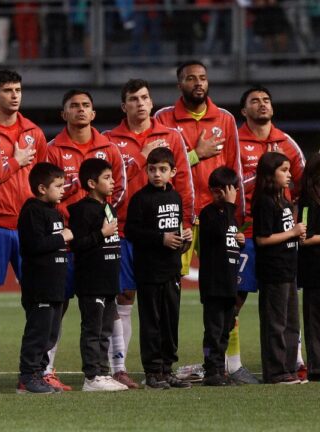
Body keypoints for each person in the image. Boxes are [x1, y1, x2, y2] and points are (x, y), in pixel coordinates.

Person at [155, 61, 249, 382]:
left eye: (203, 78)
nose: (198, 83)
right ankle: (164, 365)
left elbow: (234, 168)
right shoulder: (163, 119)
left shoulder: (225, 119)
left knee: (225, 291)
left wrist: (238, 221)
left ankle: (229, 365)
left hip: (219, 217)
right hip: (178, 215)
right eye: (191, 78)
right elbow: (161, 167)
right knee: (170, 291)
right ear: (179, 83)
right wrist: (196, 153)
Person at [103, 78, 194, 390]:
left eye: (144, 97)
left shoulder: (171, 136)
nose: (140, 103)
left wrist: (187, 224)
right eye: (133, 98)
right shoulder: (110, 140)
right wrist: (141, 156)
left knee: (167, 304)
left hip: (167, 236)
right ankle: (121, 367)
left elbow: (183, 182)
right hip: (124, 231)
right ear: (123, 105)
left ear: (152, 102)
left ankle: (163, 368)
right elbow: (109, 186)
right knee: (124, 298)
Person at [44, 88, 125, 385]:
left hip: (100, 243)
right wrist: (73, 219)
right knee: (58, 303)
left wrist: (101, 218)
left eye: (86, 105)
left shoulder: (109, 147)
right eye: (74, 106)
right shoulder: (52, 149)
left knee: (109, 308)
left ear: (93, 113)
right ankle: (45, 371)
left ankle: (114, 368)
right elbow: (45, 192)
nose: (80, 110)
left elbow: (120, 190)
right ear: (63, 114)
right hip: (66, 239)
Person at [0, 69, 54, 387]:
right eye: (8, 90)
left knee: (40, 297)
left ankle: (38, 372)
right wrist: (12, 161)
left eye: (18, 90)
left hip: (28, 227)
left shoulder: (34, 133)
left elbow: (46, 184)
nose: (15, 95)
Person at [238, 85, 306, 382]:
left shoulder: (287, 143)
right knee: (237, 301)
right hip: (247, 237)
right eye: (255, 100)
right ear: (244, 110)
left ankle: (293, 365)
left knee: (289, 315)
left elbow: (303, 183)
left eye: (266, 100)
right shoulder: (234, 141)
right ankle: (229, 364)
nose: (262, 104)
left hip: (286, 258)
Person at [124, 147, 193, 389]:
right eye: (152, 169)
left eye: (163, 170)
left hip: (172, 269)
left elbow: (176, 227)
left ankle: (167, 368)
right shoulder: (140, 199)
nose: (157, 174)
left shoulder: (175, 197)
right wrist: (160, 238)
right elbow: (131, 231)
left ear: (173, 172)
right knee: (151, 322)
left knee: (169, 321)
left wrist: (185, 238)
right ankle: (152, 371)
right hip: (149, 271)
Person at [68, 158, 127, 392]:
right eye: (107, 178)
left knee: (105, 330)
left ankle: (103, 373)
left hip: (109, 280)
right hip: (92, 282)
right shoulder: (82, 210)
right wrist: (102, 233)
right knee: (93, 329)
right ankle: (91, 377)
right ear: (91, 183)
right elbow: (78, 244)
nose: (113, 182)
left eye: (112, 177)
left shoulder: (108, 207)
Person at [16, 162, 71, 394]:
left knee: (50, 335)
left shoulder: (53, 211)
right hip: (40, 285)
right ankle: (27, 378)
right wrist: (62, 237)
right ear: (41, 188)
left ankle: (39, 374)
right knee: (38, 333)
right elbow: (33, 245)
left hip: (56, 284)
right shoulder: (32, 211)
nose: (63, 190)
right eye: (57, 186)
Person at [252, 152, 305, 384]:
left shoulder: (282, 199)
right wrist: (292, 232)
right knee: (276, 322)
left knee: (291, 322)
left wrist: (295, 230)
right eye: (283, 170)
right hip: (274, 271)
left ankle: (289, 367)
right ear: (269, 174)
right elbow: (262, 239)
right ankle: (275, 371)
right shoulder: (264, 201)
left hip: (288, 269)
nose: (289, 174)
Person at [198, 166, 244, 386]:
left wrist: (239, 241)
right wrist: (228, 204)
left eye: (224, 192)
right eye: (216, 192)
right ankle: (211, 369)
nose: (220, 196)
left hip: (228, 284)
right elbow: (216, 233)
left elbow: (228, 244)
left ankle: (220, 368)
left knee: (225, 330)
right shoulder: (208, 214)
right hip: (213, 284)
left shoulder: (232, 217)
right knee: (213, 331)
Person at [298, 153, 320, 382]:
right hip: (313, 269)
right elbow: (304, 237)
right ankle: (316, 367)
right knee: (314, 321)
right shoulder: (307, 201)